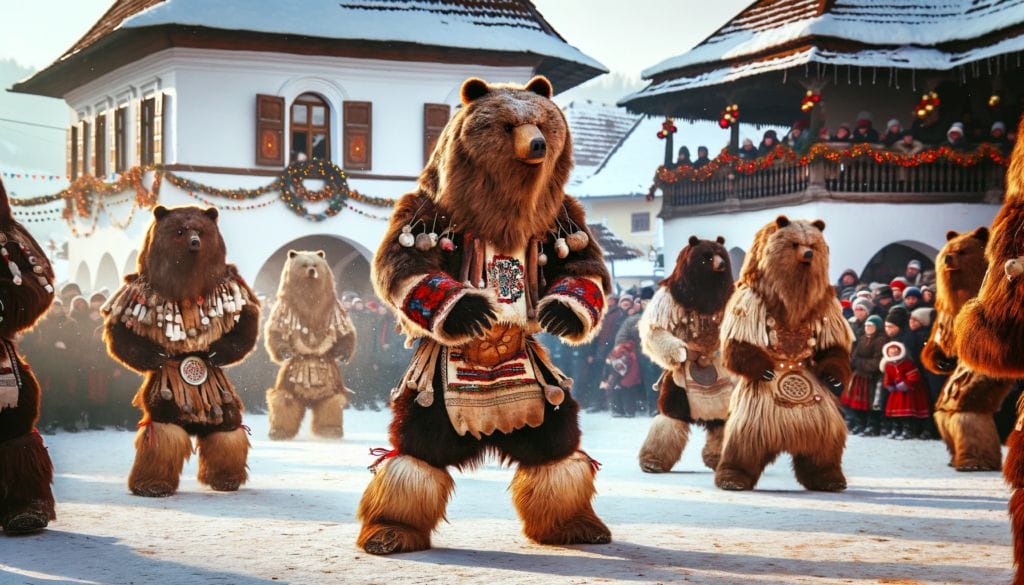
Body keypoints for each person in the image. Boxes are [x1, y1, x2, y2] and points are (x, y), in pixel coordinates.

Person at [842, 315, 886, 435]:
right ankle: (859, 423)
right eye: (867, 326)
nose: (868, 328)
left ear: (877, 327)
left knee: (871, 403)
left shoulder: (880, 340)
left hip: (872, 377)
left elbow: (876, 362)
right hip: (860, 375)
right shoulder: (862, 338)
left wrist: (860, 362)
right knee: (857, 402)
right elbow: (854, 357)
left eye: (871, 326)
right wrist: (857, 362)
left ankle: (872, 426)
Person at [881, 341, 932, 440]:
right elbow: (888, 377)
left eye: (895, 350)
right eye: (891, 351)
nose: (893, 353)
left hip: (909, 391)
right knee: (894, 411)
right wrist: (889, 385)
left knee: (906, 412)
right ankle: (896, 428)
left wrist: (906, 384)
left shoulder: (907, 363)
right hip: (896, 391)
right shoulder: (888, 365)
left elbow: (914, 376)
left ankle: (907, 429)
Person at [600, 340, 642, 418]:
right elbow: (632, 370)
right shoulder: (631, 354)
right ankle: (629, 411)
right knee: (628, 394)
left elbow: (610, 365)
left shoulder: (617, 350)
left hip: (616, 376)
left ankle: (617, 411)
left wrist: (607, 378)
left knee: (614, 392)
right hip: (627, 378)